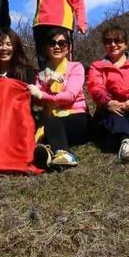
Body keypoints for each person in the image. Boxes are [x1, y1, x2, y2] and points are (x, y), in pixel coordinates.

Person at [87, 25, 129, 162]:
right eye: (108, 41)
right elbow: (96, 87)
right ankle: (126, 142)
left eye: (118, 41)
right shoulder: (97, 66)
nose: (113, 44)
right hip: (110, 108)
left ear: (126, 43)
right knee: (114, 113)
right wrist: (108, 102)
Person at [27, 27, 89, 168]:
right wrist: (47, 84)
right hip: (52, 121)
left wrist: (43, 93)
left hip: (77, 117)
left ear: (69, 47)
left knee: (52, 123)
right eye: (52, 43)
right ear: (46, 48)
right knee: (49, 124)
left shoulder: (76, 68)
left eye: (62, 43)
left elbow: (70, 96)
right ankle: (48, 153)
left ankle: (65, 154)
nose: (57, 46)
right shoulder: (41, 75)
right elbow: (37, 100)